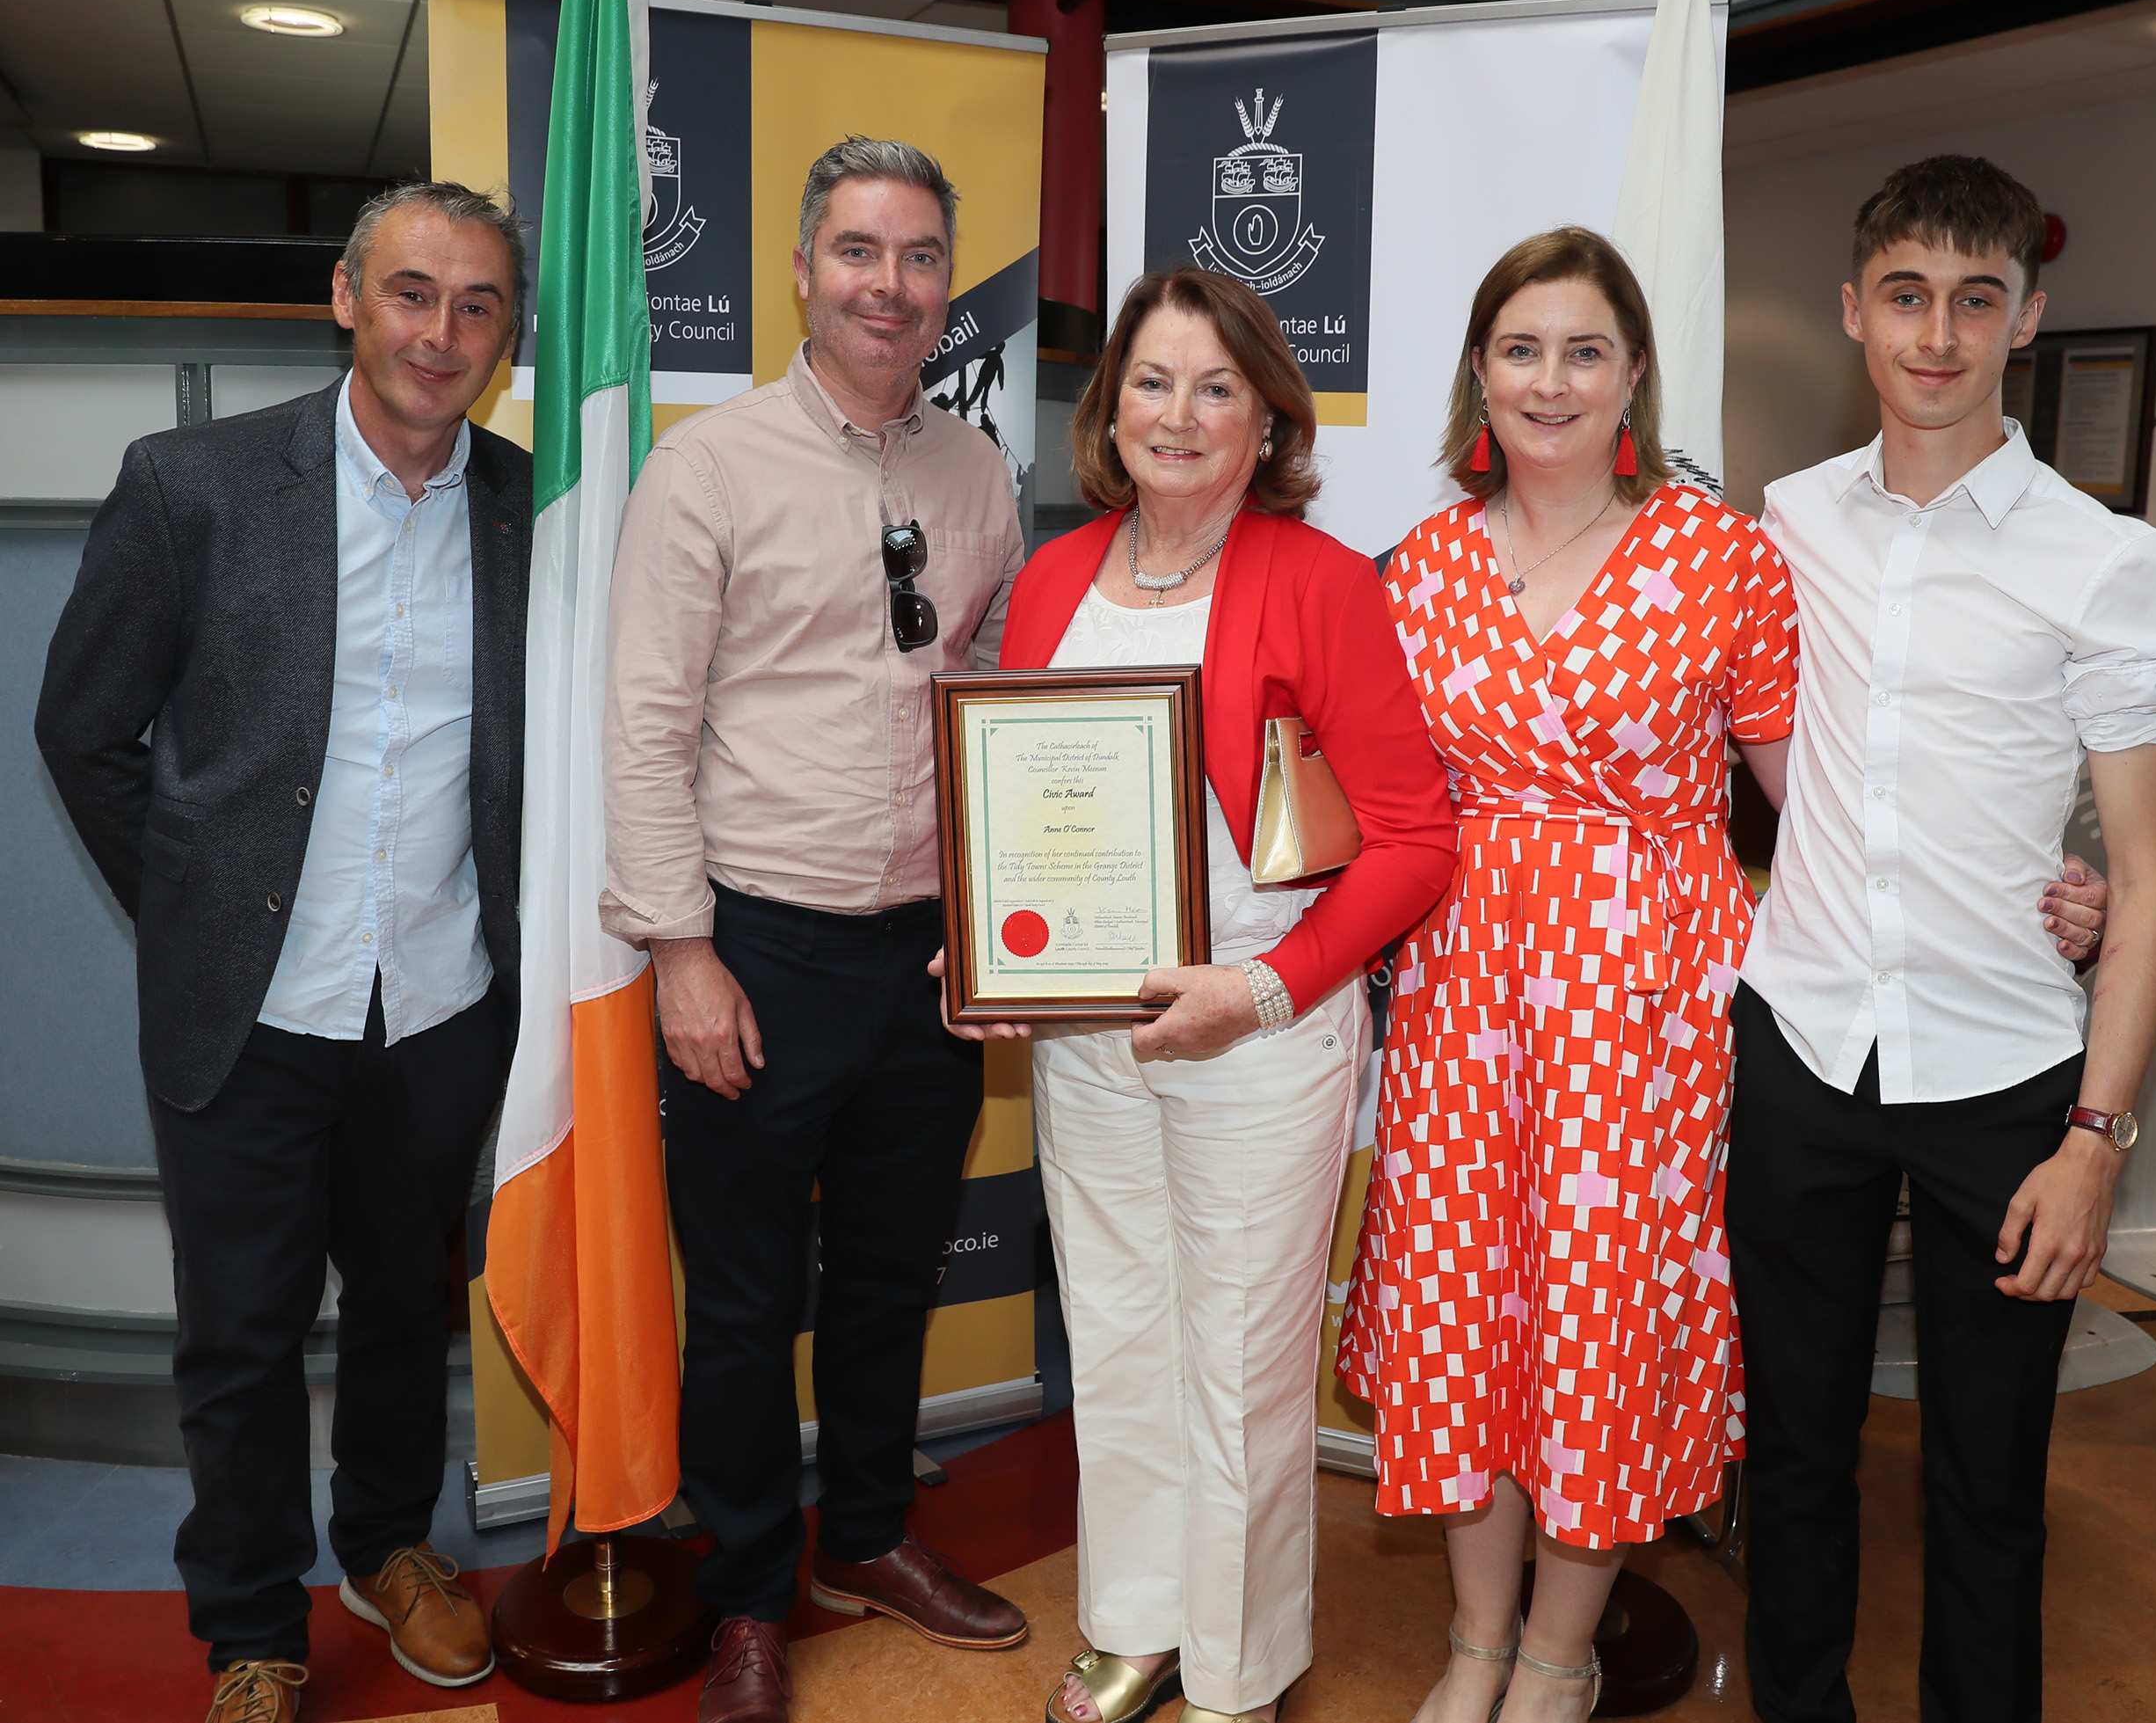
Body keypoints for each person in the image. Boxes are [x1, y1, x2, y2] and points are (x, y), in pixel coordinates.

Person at [34, 182, 531, 1723]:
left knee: (401, 1306)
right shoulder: (193, 484)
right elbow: (83, 728)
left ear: (507, 337)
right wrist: (195, 906)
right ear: (344, 298)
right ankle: (253, 1625)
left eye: (476, 307)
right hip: (247, 1012)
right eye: (411, 293)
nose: (439, 333)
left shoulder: (535, 509)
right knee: (242, 1340)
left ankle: (387, 1545)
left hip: (440, 1002)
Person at [951, 266, 1456, 1723]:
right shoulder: (1053, 578)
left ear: (1267, 419)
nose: (1178, 415)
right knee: (1114, 1335)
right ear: (1110, 407)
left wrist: (1262, 988)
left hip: (1259, 1032)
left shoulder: (1322, 582)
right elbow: (1018, 807)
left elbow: (1414, 840)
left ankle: (1239, 1664)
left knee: (1239, 1361)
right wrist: (987, 952)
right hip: (1087, 1038)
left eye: (1216, 387)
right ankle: (1134, 1620)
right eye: (1153, 382)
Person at [1729, 155, 2156, 1723]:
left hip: (2003, 1074)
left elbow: (2145, 874)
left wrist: (2095, 1141)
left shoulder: (2106, 558)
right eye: (1907, 296)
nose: (1937, 334)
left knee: (1986, 1481)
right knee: (1793, 1452)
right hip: (1801, 1045)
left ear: (2025, 318)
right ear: (1851, 311)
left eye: (1974, 300)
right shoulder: (1782, 524)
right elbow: (1751, 754)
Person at [1331, 227, 1797, 1723]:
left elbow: (1811, 806)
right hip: (1462, 986)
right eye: (1520, 349)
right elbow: (1357, 799)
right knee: (1465, 1297)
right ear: (1479, 371)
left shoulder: (1723, 558)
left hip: (1645, 999)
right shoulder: (1416, 570)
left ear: (1633, 374)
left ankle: (1557, 1651)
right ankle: (1476, 1637)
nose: (1550, 381)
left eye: (1583, 350)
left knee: (1600, 1308)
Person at [600, 138, 1029, 1723]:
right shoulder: (706, 468)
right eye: (858, 252)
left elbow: (990, 705)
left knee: (890, 1280)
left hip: (924, 957)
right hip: (754, 951)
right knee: (740, 1303)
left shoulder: (977, 473)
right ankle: (745, 1597)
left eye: (919, 258)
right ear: (800, 271)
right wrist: (681, 950)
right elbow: (644, 725)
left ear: (945, 286)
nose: (888, 287)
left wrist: (996, 927)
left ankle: (865, 1535)